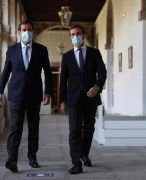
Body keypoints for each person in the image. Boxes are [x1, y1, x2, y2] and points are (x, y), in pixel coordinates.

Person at [0, 20, 53, 172]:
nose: (26, 32)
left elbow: (48, 72)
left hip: (34, 95)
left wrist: (48, 92)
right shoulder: (12, 50)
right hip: (16, 95)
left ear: (32, 32)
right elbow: (5, 73)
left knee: (34, 128)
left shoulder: (41, 50)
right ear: (19, 32)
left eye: (29, 30)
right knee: (16, 127)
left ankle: (32, 158)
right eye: (23, 30)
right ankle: (12, 159)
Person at [60, 24, 107, 174]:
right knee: (74, 130)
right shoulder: (66, 56)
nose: (75, 36)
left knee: (89, 128)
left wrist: (97, 86)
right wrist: (62, 101)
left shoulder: (94, 53)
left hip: (90, 97)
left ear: (83, 35)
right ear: (70, 37)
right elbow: (63, 80)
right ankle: (76, 162)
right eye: (72, 34)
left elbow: (102, 72)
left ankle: (84, 154)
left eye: (78, 33)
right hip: (73, 99)